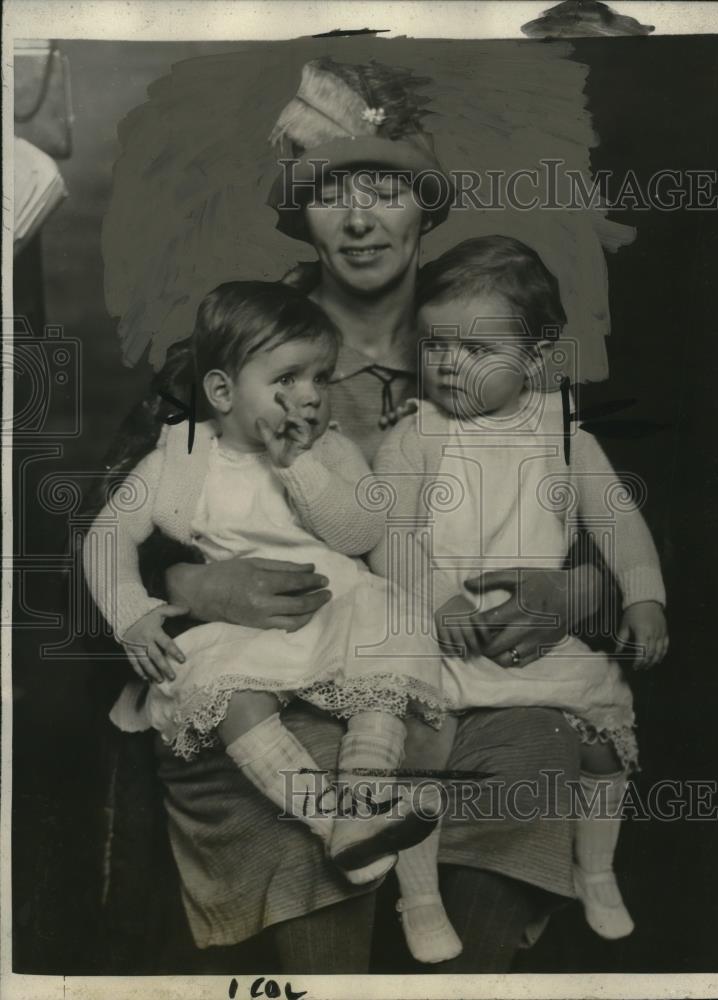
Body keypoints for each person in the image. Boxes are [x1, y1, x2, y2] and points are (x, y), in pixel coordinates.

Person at [105, 56, 615, 972]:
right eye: (329, 193)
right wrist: (187, 580)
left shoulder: (488, 330)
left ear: (426, 205)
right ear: (297, 211)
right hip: (273, 672)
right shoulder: (234, 348)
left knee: (534, 751)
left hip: (457, 669)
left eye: (386, 191)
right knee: (301, 810)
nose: (357, 219)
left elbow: (589, 512)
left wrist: (577, 593)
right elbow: (121, 519)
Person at [85, 280, 448, 885]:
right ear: (223, 391)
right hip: (246, 629)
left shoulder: (328, 450)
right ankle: (334, 825)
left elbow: (359, 532)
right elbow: (107, 533)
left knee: (387, 648)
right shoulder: (181, 456)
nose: (307, 397)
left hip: (338, 611)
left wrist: (298, 466)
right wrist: (132, 609)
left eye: (320, 379)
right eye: (287, 378)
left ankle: (363, 801)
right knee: (232, 697)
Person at [370, 235, 668, 962]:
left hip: (533, 640)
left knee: (604, 737)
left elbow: (617, 522)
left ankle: (593, 868)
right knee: (419, 745)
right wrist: (438, 600)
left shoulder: (564, 435)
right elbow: (390, 538)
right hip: (438, 639)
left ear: (534, 359)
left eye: (474, 350)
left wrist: (644, 599)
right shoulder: (414, 436)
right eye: (434, 344)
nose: (446, 363)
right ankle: (420, 896)